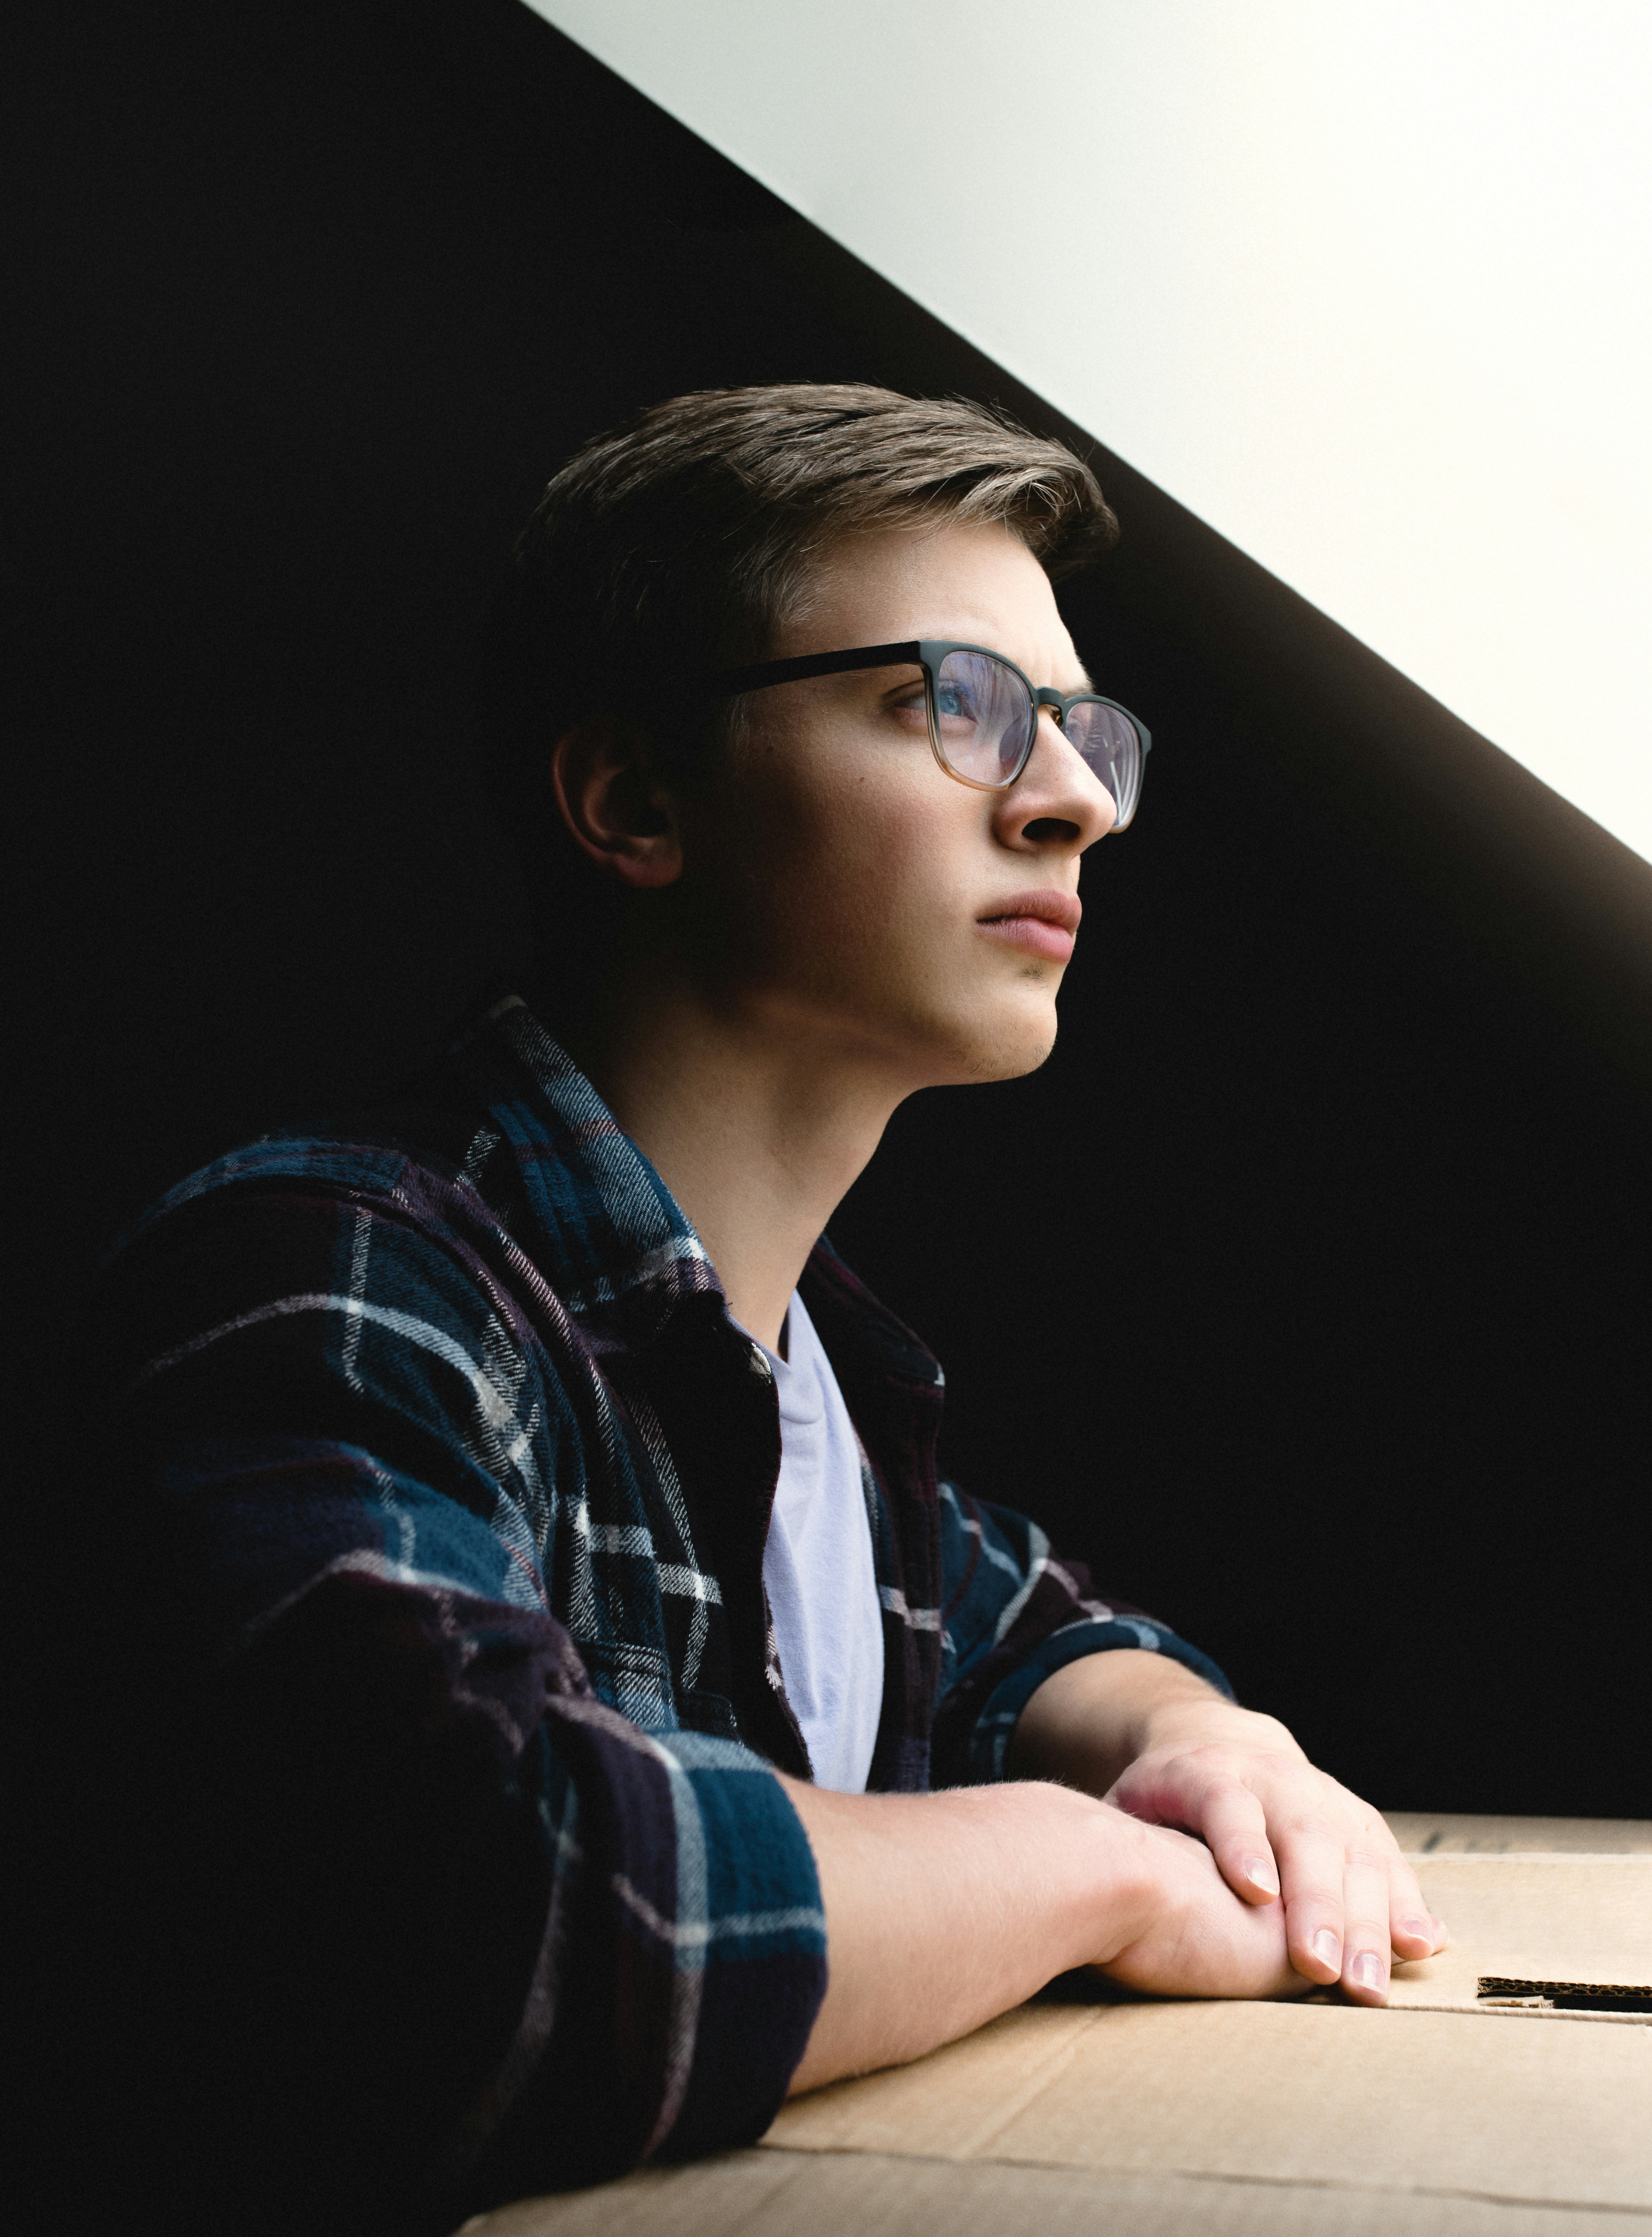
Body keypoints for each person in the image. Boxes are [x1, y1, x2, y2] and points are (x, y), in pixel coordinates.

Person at [67, 384, 1444, 2232]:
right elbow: (495, 1912)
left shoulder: (815, 1381)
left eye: (1079, 728)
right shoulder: (330, 1273)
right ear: (637, 798)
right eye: (950, 703)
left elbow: (1030, 1637)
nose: (1076, 801)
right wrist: (1080, 1865)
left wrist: (1203, 1745)